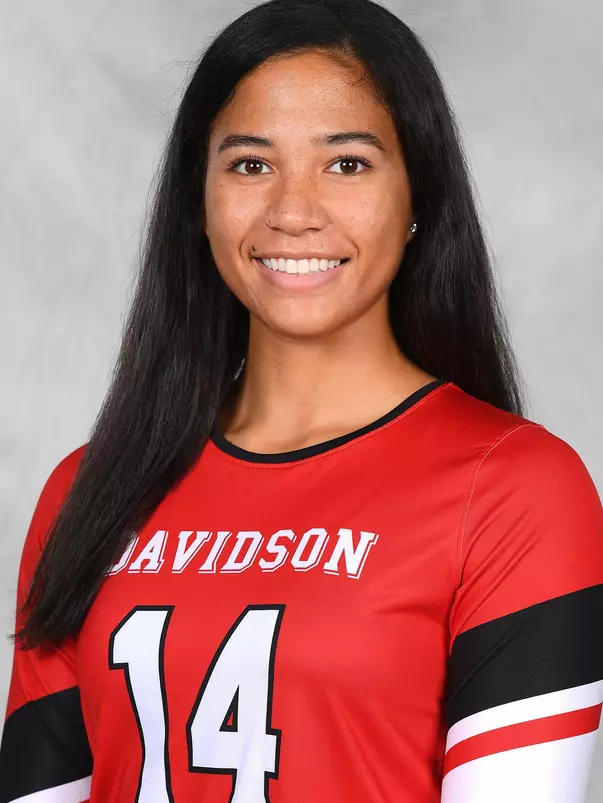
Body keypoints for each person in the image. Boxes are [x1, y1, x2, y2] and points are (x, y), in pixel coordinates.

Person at [1, 0, 602, 801]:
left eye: (346, 163)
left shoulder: (518, 490)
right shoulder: (89, 491)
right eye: (250, 164)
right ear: (198, 199)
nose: (292, 211)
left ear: (418, 194)